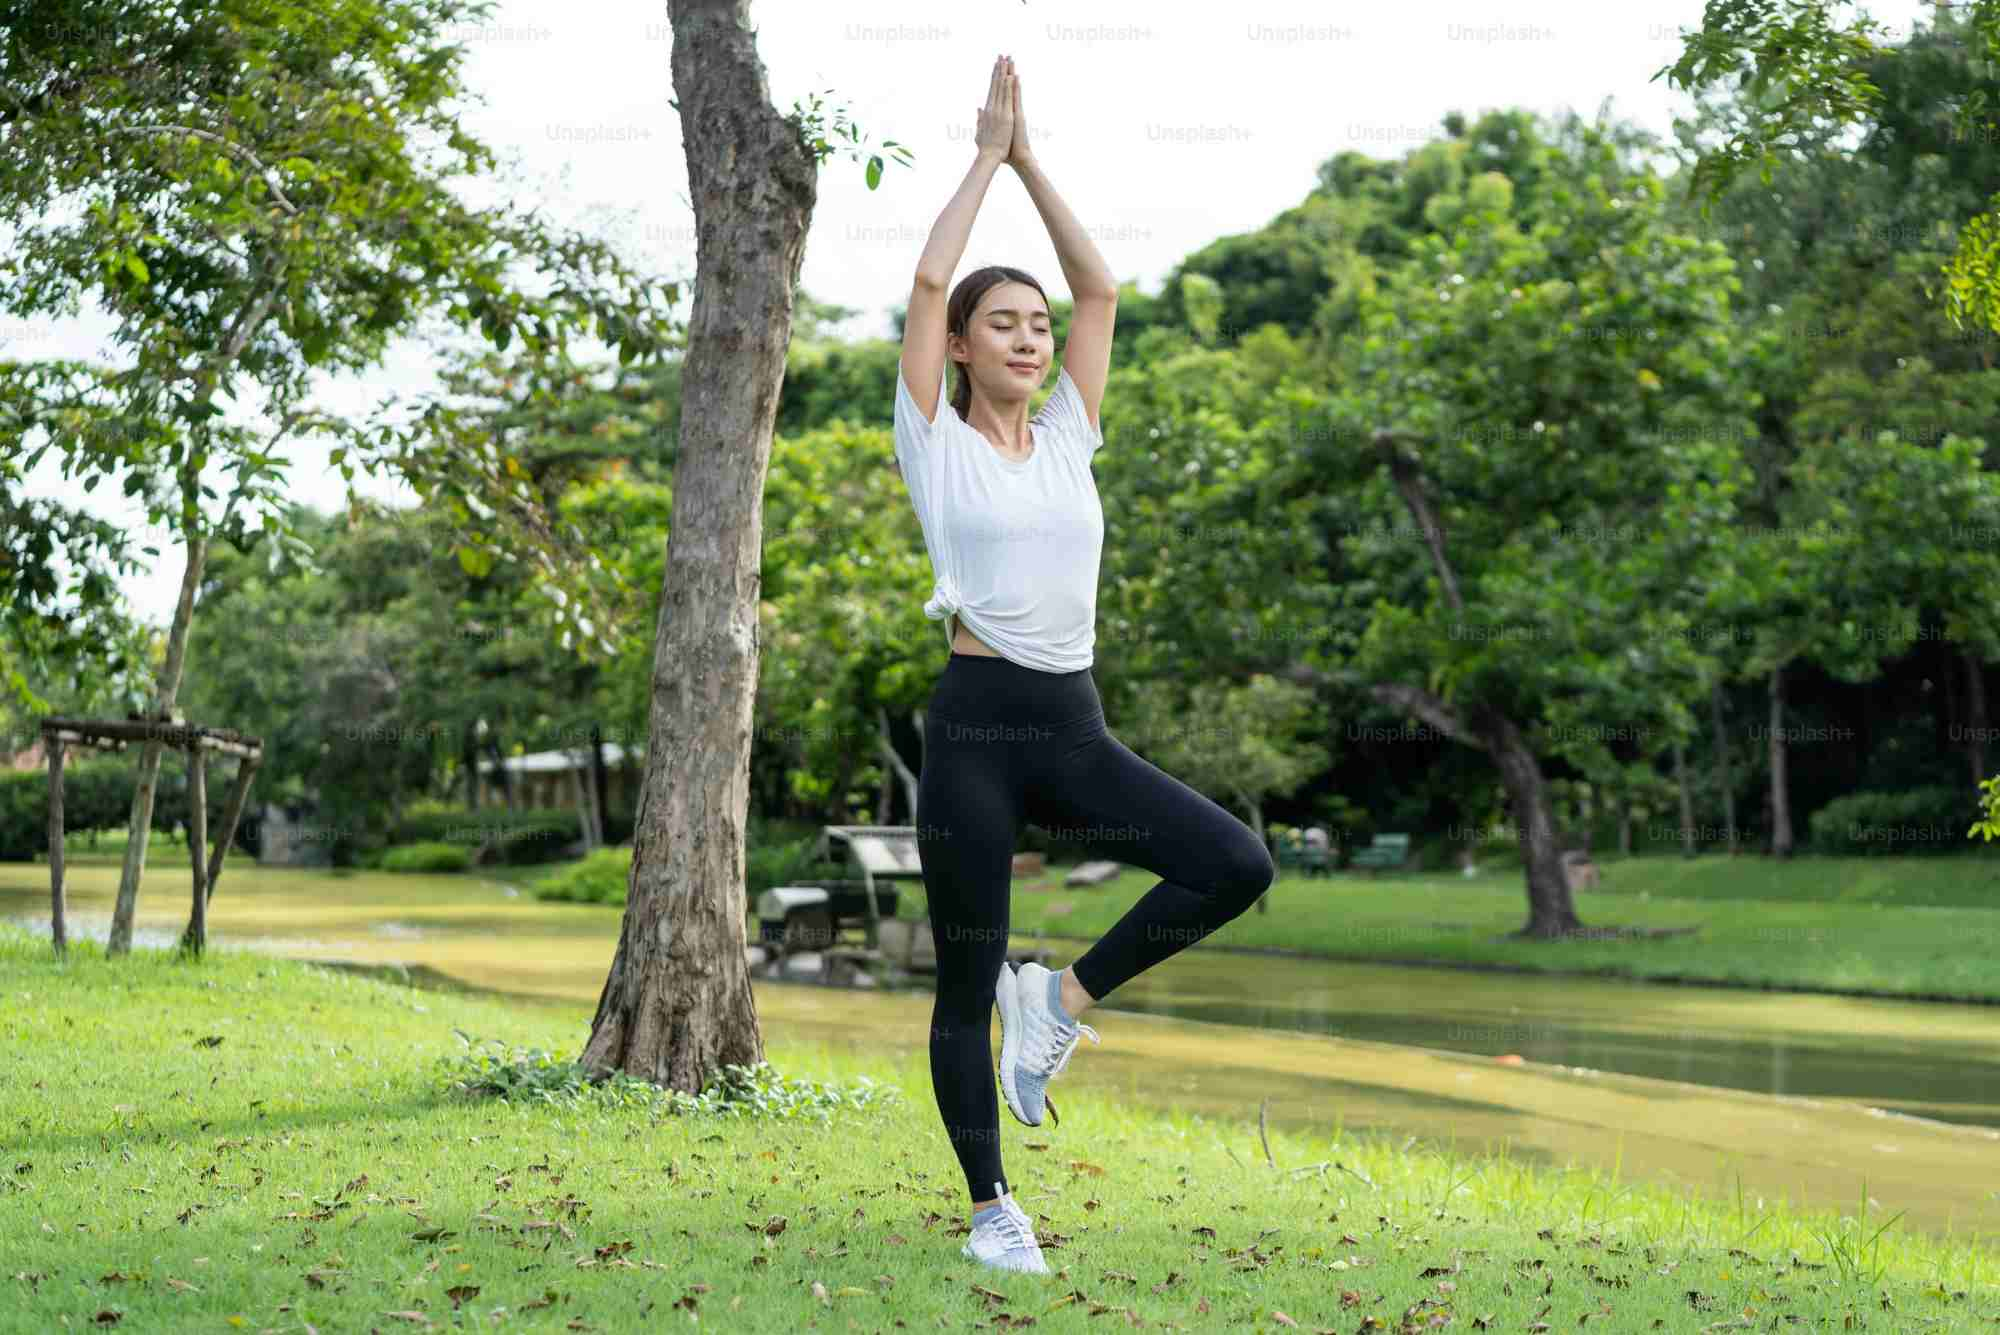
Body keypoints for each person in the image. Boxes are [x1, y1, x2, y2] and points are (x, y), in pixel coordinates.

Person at [893, 54, 1276, 1276]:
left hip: (1073, 729)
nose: (1029, 335)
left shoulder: (1067, 436)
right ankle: (990, 1209)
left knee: (1232, 863)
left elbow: (1100, 288)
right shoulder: (935, 442)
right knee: (959, 983)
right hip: (974, 734)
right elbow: (924, 273)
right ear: (956, 349)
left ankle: (1056, 1007)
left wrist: (1032, 159)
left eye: (1034, 325)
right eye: (1000, 323)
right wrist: (980, 161)